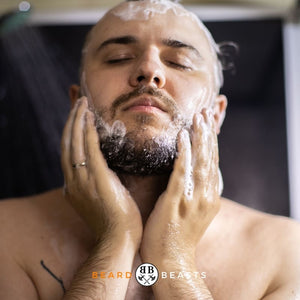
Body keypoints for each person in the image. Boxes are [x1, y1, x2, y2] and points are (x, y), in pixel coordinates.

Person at [0, 0, 299, 299]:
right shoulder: (6, 235)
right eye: (118, 57)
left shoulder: (285, 252)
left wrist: (173, 257)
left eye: (180, 61)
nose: (149, 69)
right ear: (78, 101)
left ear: (216, 113)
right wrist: (115, 240)